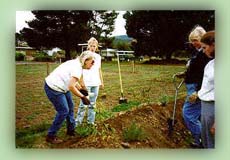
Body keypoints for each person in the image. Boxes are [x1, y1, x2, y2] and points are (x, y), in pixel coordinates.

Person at [44, 51, 95, 144]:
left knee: (70, 107)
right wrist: (83, 97)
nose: (93, 64)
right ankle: (51, 136)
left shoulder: (76, 63)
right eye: (92, 62)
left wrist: (81, 89)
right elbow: (71, 86)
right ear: (85, 60)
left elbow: (72, 81)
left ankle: (71, 130)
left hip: (63, 87)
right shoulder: (77, 68)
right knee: (63, 111)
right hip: (54, 88)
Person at [176, 25, 212, 148]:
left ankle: (203, 140)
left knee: (188, 114)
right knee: (199, 115)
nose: (193, 43)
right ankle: (201, 141)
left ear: (203, 37)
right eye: (191, 40)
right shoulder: (200, 52)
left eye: (195, 40)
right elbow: (196, 70)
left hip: (197, 88)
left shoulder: (206, 54)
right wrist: (185, 74)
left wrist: (198, 92)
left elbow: (206, 76)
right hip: (194, 86)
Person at [75, 37, 104, 126]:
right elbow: (78, 68)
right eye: (91, 46)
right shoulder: (84, 54)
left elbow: (99, 69)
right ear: (88, 46)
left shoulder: (98, 57)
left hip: (95, 83)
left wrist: (101, 81)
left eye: (94, 46)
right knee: (83, 103)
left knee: (92, 103)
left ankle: (90, 122)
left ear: (97, 47)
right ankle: (78, 123)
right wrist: (81, 81)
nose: (92, 47)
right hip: (86, 83)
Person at [198, 31, 215, 148]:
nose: (203, 51)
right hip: (206, 107)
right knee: (207, 140)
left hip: (214, 107)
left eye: (205, 47)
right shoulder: (211, 64)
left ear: (214, 44)